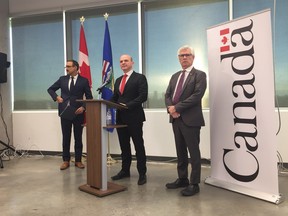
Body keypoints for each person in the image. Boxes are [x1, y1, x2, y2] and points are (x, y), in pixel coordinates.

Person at [164, 45, 207, 196]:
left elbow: (197, 96)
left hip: (191, 120)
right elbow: (167, 94)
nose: (184, 57)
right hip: (175, 119)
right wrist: (170, 108)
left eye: (187, 55)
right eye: (181, 55)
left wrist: (177, 108)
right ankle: (182, 178)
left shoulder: (200, 75)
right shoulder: (175, 76)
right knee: (180, 151)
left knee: (194, 152)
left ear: (193, 57)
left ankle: (194, 183)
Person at [48, 60, 93, 170]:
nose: (66, 68)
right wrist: (56, 97)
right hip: (65, 112)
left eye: (68, 66)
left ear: (75, 67)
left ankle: (78, 160)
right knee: (66, 137)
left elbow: (89, 97)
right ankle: (65, 160)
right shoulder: (62, 79)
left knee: (78, 137)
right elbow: (50, 89)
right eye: (66, 66)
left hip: (78, 113)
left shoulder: (84, 81)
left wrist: (83, 107)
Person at [110, 54, 148, 185]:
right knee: (124, 146)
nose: (123, 63)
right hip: (120, 118)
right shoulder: (118, 80)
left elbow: (143, 96)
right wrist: (104, 103)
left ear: (132, 62)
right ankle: (125, 171)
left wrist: (128, 105)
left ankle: (142, 173)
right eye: (121, 61)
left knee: (138, 146)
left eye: (126, 61)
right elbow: (115, 97)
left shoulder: (140, 78)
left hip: (134, 117)